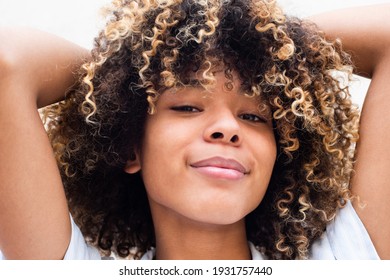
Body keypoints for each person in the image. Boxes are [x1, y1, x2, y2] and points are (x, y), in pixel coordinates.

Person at [0, 0, 389, 260]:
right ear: (129, 148)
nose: (226, 128)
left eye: (254, 117)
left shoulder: (344, 258)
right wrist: (120, 68)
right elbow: (9, 62)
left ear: (280, 152)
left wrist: (274, 41)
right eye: (186, 106)